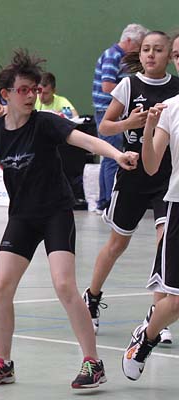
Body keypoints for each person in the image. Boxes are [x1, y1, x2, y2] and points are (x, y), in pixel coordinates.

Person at [0, 49, 138, 388]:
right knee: (1, 286)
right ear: (6, 94)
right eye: (23, 90)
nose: (30, 96)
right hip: (22, 216)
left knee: (64, 285)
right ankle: (3, 364)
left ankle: (93, 363)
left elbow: (84, 140)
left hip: (55, 212)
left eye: (33, 90)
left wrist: (117, 154)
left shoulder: (45, 123)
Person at [84, 31, 179, 341]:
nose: (151, 54)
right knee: (117, 244)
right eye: (146, 49)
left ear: (169, 56)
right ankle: (92, 297)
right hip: (133, 173)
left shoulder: (176, 90)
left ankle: (158, 317)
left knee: (163, 243)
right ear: (139, 54)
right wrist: (130, 124)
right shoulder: (129, 85)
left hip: (166, 177)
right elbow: (104, 126)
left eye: (158, 50)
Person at [122, 72, 179, 381]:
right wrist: (149, 128)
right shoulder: (171, 108)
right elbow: (152, 165)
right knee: (176, 301)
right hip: (178, 205)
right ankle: (146, 337)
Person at [92, 23, 148, 213]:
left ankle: (103, 201)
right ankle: (109, 202)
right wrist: (130, 92)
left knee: (108, 156)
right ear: (129, 41)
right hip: (107, 111)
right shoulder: (112, 55)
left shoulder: (119, 56)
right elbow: (107, 86)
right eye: (139, 46)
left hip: (112, 111)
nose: (139, 51)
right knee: (112, 156)